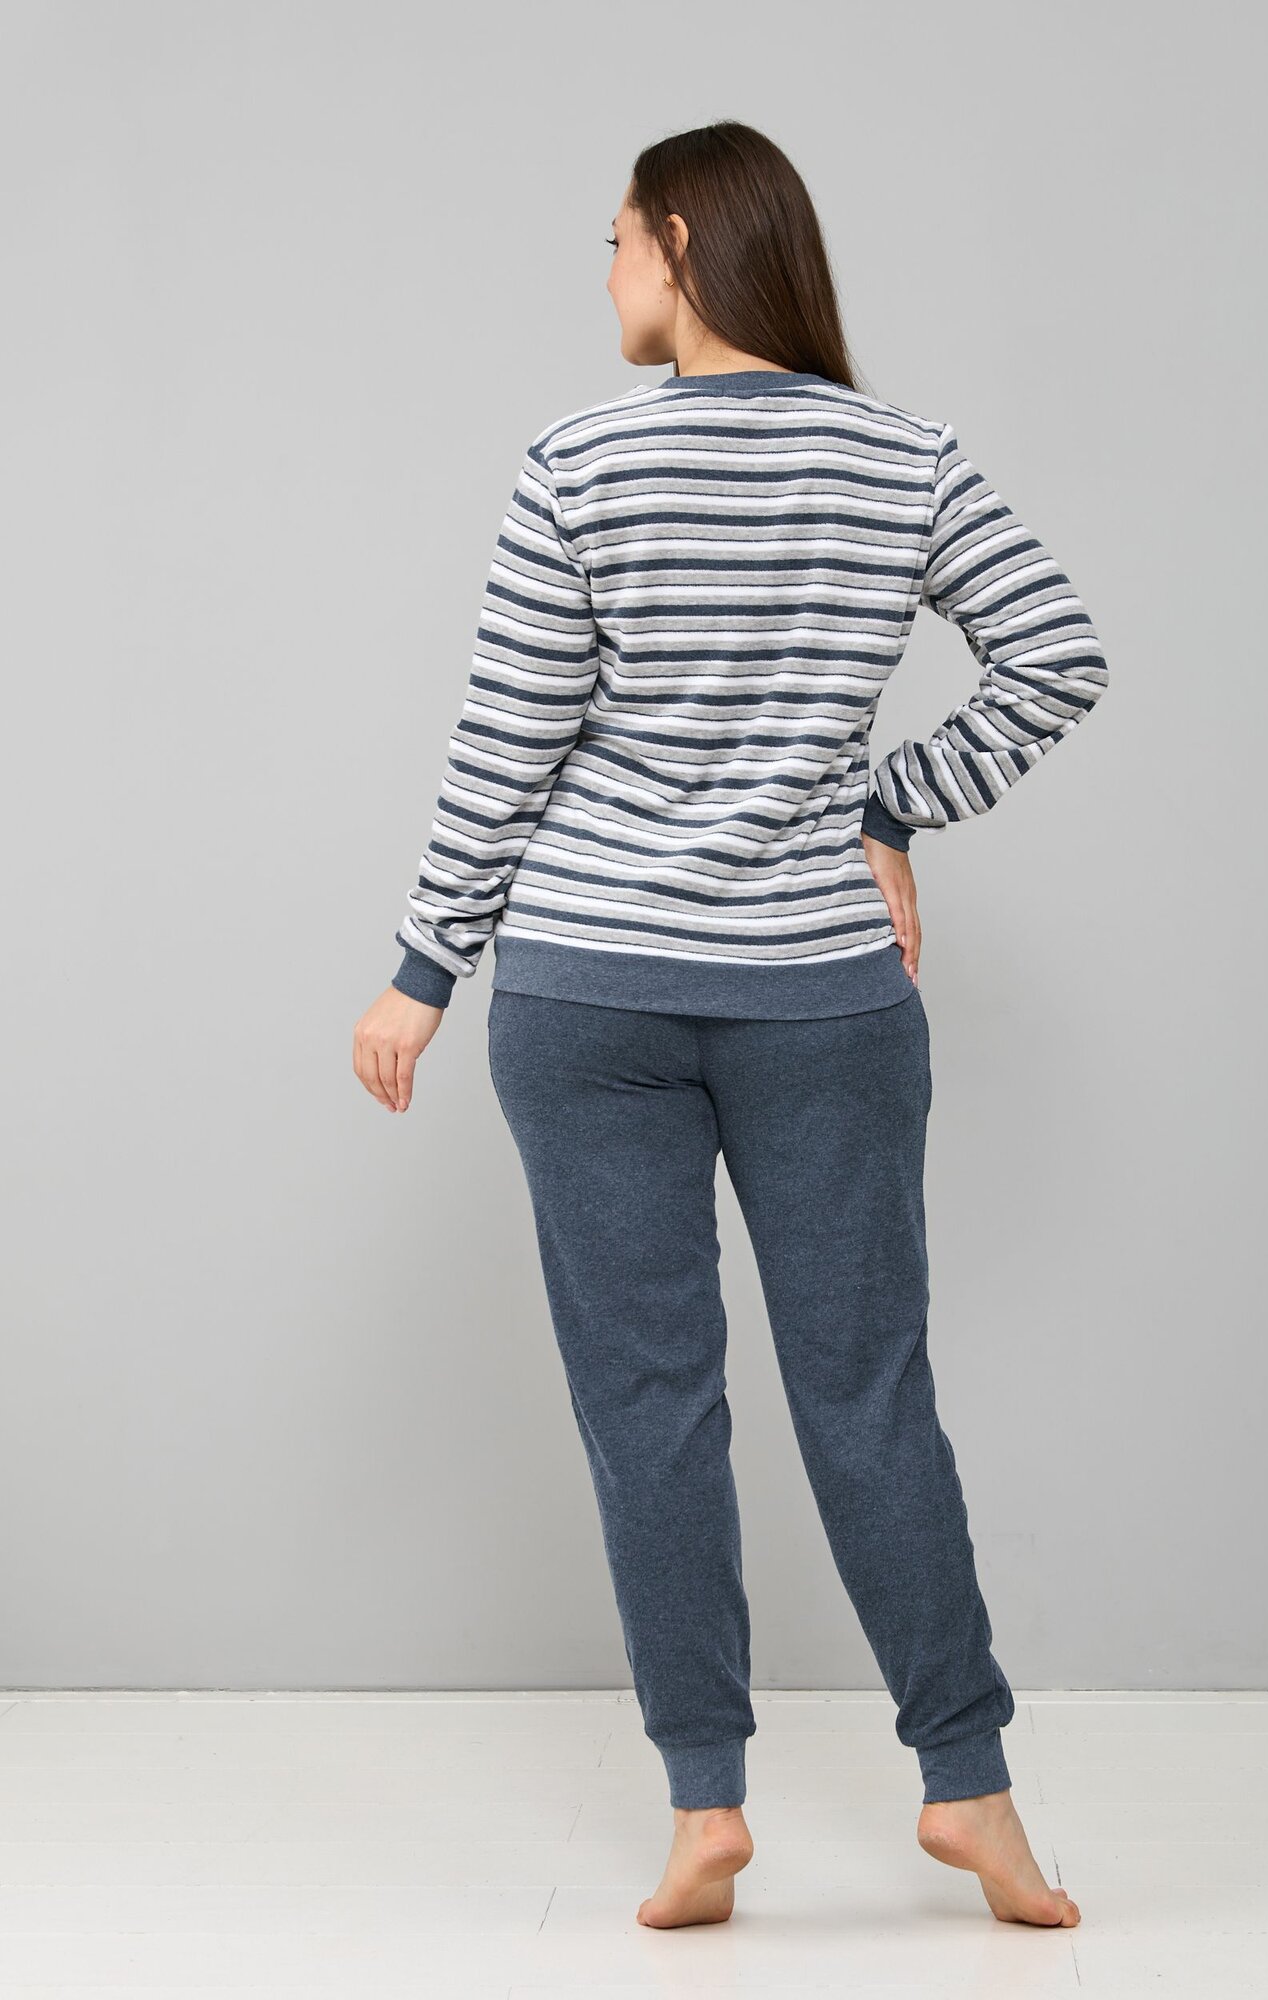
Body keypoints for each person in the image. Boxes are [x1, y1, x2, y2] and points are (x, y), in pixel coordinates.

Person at [353, 119, 1106, 1933]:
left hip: (587, 988)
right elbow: (1057, 654)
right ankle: (972, 1795)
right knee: (870, 1397)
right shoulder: (905, 457)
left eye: (617, 238)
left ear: (682, 241)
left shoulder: (579, 460)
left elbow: (510, 737)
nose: (607, 272)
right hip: (821, 993)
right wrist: (886, 804)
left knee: (650, 1408)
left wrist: (423, 968)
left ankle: (705, 1809)